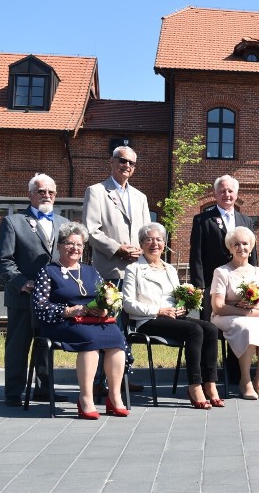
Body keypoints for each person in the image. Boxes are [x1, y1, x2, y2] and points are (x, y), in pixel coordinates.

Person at [32, 222, 128, 419]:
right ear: (59, 246)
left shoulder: (91, 271)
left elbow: (107, 296)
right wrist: (67, 310)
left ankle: (114, 396)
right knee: (90, 342)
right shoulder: (48, 271)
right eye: (70, 243)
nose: (75, 248)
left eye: (80, 244)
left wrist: (105, 309)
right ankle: (86, 398)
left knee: (117, 340)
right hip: (62, 322)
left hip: (93, 321)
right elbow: (40, 306)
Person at [122, 223, 223, 409]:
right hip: (147, 320)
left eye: (159, 239)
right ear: (141, 244)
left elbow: (178, 298)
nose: (154, 243)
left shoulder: (170, 269)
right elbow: (127, 304)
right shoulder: (133, 269)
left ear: (164, 243)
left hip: (173, 319)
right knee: (194, 330)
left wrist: (182, 307)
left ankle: (210, 383)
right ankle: (194, 385)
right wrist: (158, 311)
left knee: (210, 328)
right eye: (149, 240)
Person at [0, 174, 69, 406]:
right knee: (18, 346)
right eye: (41, 191)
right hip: (22, 297)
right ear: (30, 195)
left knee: (45, 345)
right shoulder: (13, 222)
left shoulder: (62, 223)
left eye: (51, 192)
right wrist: (22, 283)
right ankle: (13, 393)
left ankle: (43, 389)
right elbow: (4, 261)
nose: (46, 195)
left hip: (52, 298)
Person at [83, 145, 149, 395]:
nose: (127, 166)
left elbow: (145, 233)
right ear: (111, 162)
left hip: (135, 272)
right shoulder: (97, 192)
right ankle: (102, 380)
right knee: (109, 325)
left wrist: (142, 251)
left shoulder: (140, 197)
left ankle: (123, 376)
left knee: (129, 327)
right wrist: (117, 249)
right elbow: (91, 230)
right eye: (122, 161)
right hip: (110, 270)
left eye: (132, 163)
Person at [209, 226, 259, 399]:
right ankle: (245, 380)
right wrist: (243, 311)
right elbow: (217, 306)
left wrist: (255, 309)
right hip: (226, 316)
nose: (241, 247)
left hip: (253, 315)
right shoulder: (221, 272)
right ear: (230, 247)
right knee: (247, 328)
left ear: (252, 246)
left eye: (245, 244)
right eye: (236, 244)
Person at [189, 175, 258, 322]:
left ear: (236, 194)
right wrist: (199, 285)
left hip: (241, 284)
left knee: (239, 323)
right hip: (211, 283)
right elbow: (197, 254)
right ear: (215, 194)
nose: (227, 195)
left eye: (230, 191)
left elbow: (253, 252)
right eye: (222, 191)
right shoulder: (202, 220)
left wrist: (254, 280)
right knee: (210, 326)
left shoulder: (246, 221)